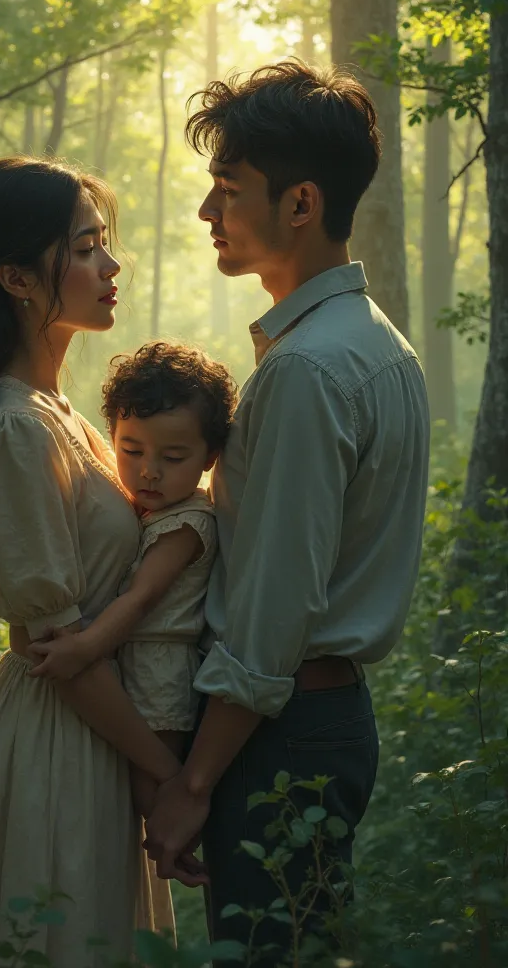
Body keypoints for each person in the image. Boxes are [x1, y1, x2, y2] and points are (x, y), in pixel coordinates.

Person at [143, 60, 431, 964]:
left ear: (300, 204)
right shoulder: (373, 345)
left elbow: (273, 612)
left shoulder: (308, 372)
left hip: (282, 734)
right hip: (318, 723)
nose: (207, 213)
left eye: (228, 191)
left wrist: (193, 782)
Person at [0, 157, 180, 967]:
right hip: (56, 745)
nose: (111, 265)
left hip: (94, 735)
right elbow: (58, 649)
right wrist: (167, 777)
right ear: (18, 276)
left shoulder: (60, 413)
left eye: (105, 244)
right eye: (87, 248)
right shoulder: (16, 431)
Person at [27, 342, 236, 820]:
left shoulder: (188, 522)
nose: (148, 470)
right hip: (126, 658)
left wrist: (85, 647)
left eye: (174, 457)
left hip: (159, 664)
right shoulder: (144, 507)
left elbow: (142, 598)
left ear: (210, 456)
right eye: (132, 449)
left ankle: (178, 860)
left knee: (149, 794)